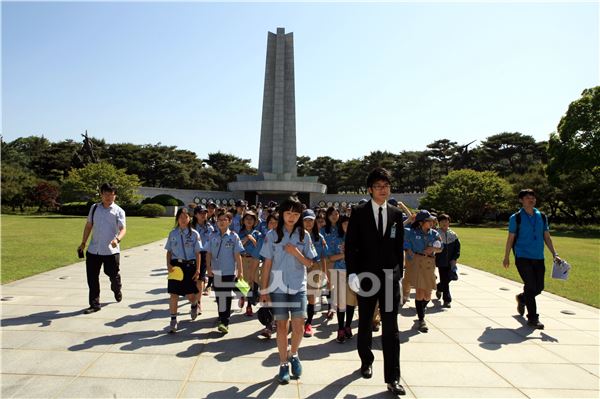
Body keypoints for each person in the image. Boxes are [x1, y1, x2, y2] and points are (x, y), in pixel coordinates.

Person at [345, 168, 406, 396]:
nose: (384, 190)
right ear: (370, 189)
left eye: (387, 186)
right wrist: (352, 273)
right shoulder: (359, 212)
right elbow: (351, 245)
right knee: (366, 321)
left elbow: (398, 246)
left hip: (390, 277)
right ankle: (366, 360)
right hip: (366, 277)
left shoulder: (395, 214)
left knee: (391, 327)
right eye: (379, 187)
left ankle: (393, 377)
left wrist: (399, 275)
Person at [259, 197, 317, 385]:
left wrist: (296, 253)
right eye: (288, 213)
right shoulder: (271, 235)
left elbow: (310, 263)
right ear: (282, 214)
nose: (291, 217)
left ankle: (294, 354)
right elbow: (267, 263)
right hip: (278, 288)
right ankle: (283, 364)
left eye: (295, 213)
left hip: (298, 286)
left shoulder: (304, 235)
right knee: (282, 327)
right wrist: (264, 289)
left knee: (299, 326)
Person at [503, 188, 560, 330]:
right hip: (522, 256)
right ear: (521, 200)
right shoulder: (516, 218)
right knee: (530, 286)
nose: (531, 200)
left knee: (539, 287)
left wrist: (554, 253)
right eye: (528, 197)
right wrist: (506, 256)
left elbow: (546, 236)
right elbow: (510, 239)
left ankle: (522, 298)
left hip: (538, 256)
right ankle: (533, 318)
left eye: (533, 197)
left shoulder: (542, 216)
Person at [78, 183, 126, 314]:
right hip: (94, 250)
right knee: (92, 277)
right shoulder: (94, 208)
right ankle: (94, 304)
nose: (109, 197)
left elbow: (123, 229)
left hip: (111, 251)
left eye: (111, 195)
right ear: (101, 194)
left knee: (113, 275)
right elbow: (89, 226)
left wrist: (117, 239)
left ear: (115, 195)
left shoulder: (119, 211)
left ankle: (117, 289)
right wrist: (83, 242)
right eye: (106, 194)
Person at [206, 209, 244, 334]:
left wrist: (240, 271)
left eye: (224, 220)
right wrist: (208, 268)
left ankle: (225, 321)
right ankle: (222, 316)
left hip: (229, 272)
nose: (222, 222)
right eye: (219, 220)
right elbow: (208, 253)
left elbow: (238, 255)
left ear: (229, 221)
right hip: (216, 271)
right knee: (218, 296)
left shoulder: (233, 236)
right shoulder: (212, 236)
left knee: (226, 296)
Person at [404, 210, 442, 333]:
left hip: (430, 264)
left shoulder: (434, 233)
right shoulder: (412, 232)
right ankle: (421, 320)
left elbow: (441, 247)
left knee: (428, 295)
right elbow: (397, 231)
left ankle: (421, 309)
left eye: (431, 220)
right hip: (417, 262)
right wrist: (409, 251)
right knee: (420, 292)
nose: (432, 222)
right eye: (428, 221)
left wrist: (434, 248)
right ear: (421, 223)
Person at [165, 208, 202, 333]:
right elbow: (169, 251)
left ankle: (194, 304)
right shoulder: (172, 233)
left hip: (190, 266)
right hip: (176, 267)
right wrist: (168, 265)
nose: (183, 219)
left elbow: (198, 253)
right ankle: (173, 320)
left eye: (185, 217)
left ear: (189, 218)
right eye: (180, 217)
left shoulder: (195, 234)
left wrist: (197, 269)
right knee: (173, 294)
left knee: (190, 295)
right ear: (177, 219)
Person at [328, 215, 357, 343]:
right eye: (344, 224)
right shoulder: (336, 239)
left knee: (351, 302)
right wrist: (344, 254)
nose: (347, 226)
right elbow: (331, 258)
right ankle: (340, 328)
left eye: (349, 224)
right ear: (341, 225)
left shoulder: (359, 239)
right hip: (340, 271)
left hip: (354, 273)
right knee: (341, 303)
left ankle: (348, 326)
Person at [302, 209, 328, 338]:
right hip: (299, 267)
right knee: (300, 295)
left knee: (311, 296)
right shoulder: (297, 235)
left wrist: (324, 273)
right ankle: (299, 320)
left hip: (315, 267)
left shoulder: (319, 237)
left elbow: (323, 257)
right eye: (305, 220)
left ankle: (308, 323)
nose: (308, 223)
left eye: (310, 220)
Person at [238, 211, 262, 316]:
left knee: (253, 282)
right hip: (243, 259)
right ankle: (243, 296)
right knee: (243, 281)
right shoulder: (240, 233)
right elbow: (238, 246)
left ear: (255, 221)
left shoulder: (257, 233)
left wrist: (252, 240)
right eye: (247, 219)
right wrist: (246, 238)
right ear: (243, 221)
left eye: (251, 219)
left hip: (254, 260)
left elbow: (259, 247)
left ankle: (249, 305)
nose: (249, 221)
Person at [435, 214, 460, 308]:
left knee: (449, 278)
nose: (445, 223)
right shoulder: (436, 233)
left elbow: (457, 248)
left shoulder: (453, 235)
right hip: (440, 261)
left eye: (447, 221)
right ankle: (447, 300)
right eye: (442, 221)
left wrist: (454, 259)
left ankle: (439, 287)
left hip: (450, 261)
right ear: (439, 223)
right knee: (444, 278)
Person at [192, 206, 214, 312]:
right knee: (191, 280)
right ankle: (193, 299)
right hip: (191, 255)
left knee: (200, 278)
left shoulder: (210, 227)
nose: (203, 214)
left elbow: (213, 241)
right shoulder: (190, 227)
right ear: (195, 214)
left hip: (205, 254)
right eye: (201, 213)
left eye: (205, 212)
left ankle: (198, 302)